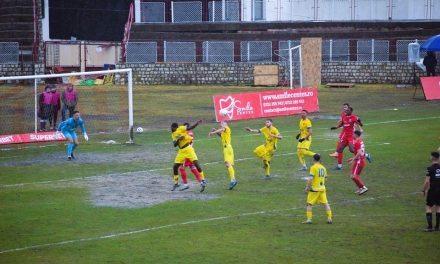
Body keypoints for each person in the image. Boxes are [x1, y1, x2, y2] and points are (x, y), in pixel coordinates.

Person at [171, 120, 207, 192]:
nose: (171, 129)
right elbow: (175, 145)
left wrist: (196, 123)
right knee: (175, 166)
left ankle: (202, 180)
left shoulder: (181, 129)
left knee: (196, 165)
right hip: (181, 152)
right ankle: (176, 183)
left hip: (188, 149)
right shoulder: (173, 134)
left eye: (172, 128)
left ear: (176, 127)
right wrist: (178, 139)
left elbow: (190, 128)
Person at [303, 154, 333, 224]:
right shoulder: (323, 168)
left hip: (314, 189)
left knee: (309, 204)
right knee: (326, 204)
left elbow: (310, 178)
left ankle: (309, 219)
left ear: (313, 159)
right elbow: (326, 179)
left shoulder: (313, 167)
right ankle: (329, 218)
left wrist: (307, 187)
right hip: (322, 189)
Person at [208, 120, 237, 190]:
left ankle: (233, 180)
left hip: (227, 147)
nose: (222, 124)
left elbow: (222, 129)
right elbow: (221, 135)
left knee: (228, 164)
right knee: (228, 165)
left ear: (226, 124)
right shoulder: (224, 131)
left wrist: (213, 132)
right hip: (227, 148)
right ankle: (233, 179)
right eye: (221, 123)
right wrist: (216, 132)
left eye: (223, 123)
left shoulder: (226, 128)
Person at [178, 123, 204, 191]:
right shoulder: (191, 133)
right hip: (192, 152)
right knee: (193, 168)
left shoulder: (185, 133)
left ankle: (185, 184)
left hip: (186, 153)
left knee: (181, 168)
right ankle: (201, 182)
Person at [422, 151, 440, 232]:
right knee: (438, 207)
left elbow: (426, 181)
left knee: (429, 207)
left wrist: (423, 190)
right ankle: (437, 227)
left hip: (432, 190)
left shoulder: (429, 169)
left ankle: (430, 227)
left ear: (432, 158)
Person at [347, 130, 368, 195]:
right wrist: (353, 158)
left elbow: (359, 152)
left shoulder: (357, 142)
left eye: (353, 134)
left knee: (353, 176)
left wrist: (353, 159)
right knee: (354, 176)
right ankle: (360, 188)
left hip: (359, 161)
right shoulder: (360, 141)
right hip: (360, 160)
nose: (352, 135)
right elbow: (361, 152)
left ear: (356, 134)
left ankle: (363, 187)